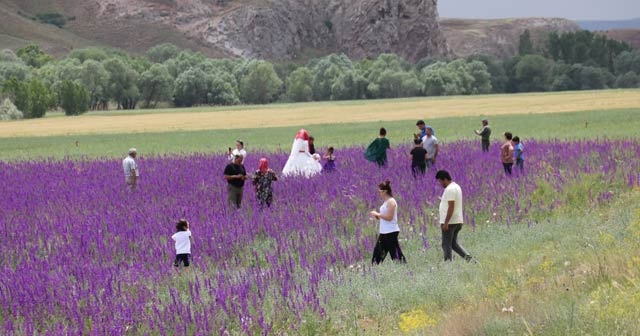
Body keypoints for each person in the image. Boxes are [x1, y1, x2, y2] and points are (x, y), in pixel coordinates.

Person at [435, 170, 474, 262]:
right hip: (457, 221)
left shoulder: (450, 189)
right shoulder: (456, 187)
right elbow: (452, 203)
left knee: (446, 244)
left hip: (451, 222)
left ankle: (448, 265)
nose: (440, 184)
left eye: (440, 181)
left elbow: (451, 207)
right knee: (453, 244)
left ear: (445, 179)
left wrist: (446, 222)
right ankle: (470, 260)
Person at [369, 179, 406, 264]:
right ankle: (374, 269)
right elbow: (384, 217)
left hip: (391, 231)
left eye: (380, 191)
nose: (379, 193)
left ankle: (403, 268)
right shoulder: (385, 202)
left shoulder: (391, 202)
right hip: (384, 231)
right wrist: (377, 216)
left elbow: (390, 217)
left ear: (385, 191)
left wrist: (377, 214)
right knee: (377, 254)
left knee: (395, 254)